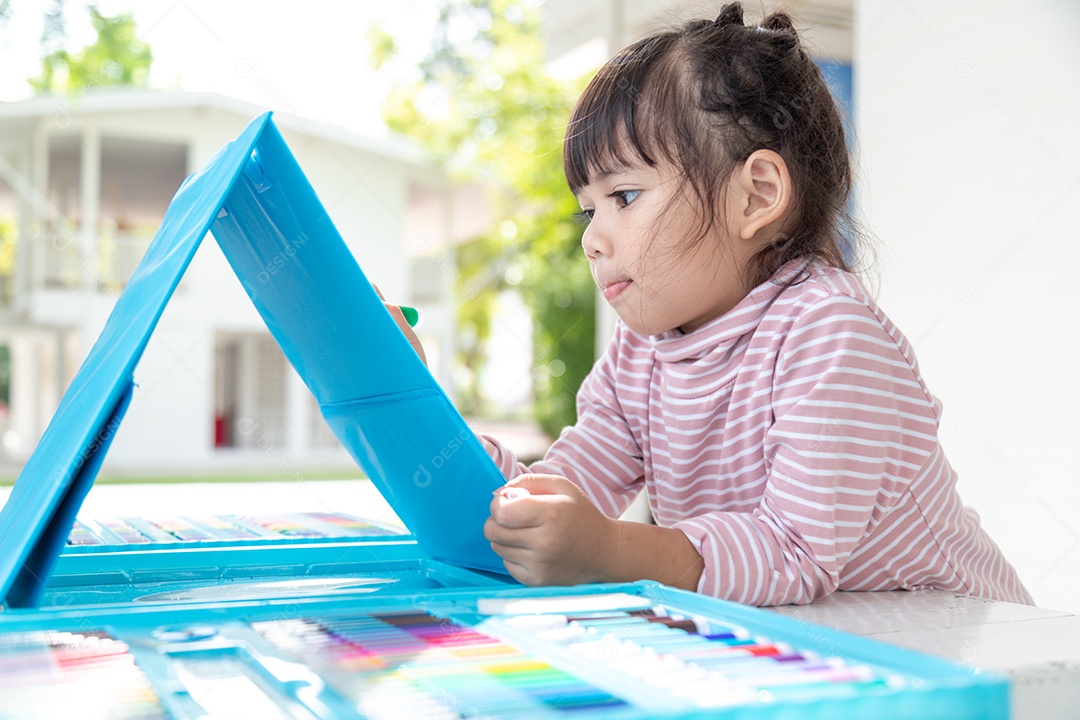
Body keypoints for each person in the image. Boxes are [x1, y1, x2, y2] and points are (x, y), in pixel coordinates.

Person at [390, 3, 1032, 606]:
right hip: (830, 639)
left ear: (755, 195)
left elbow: (792, 553)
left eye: (626, 196)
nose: (591, 238)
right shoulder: (641, 354)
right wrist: (406, 395)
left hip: (972, 644)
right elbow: (541, 499)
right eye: (589, 208)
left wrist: (609, 549)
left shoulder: (829, 333)